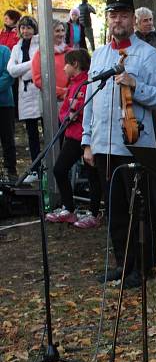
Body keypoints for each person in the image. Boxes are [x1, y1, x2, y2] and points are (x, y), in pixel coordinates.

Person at [82, 0, 156, 289]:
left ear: (133, 19)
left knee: (139, 210)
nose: (118, 20)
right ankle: (122, 263)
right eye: (113, 15)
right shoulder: (100, 55)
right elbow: (89, 100)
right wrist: (86, 140)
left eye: (123, 15)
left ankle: (142, 267)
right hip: (104, 147)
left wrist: (136, 84)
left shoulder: (148, 54)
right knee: (115, 210)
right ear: (107, 19)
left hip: (134, 146)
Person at [45, 48, 102, 228]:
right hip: (72, 136)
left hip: (86, 138)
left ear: (75, 64)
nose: (63, 68)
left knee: (93, 175)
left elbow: (85, 111)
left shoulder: (87, 82)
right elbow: (64, 113)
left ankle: (94, 213)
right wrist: (68, 116)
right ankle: (69, 209)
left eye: (66, 64)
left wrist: (72, 115)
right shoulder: (73, 84)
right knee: (59, 170)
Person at [7, 16, 42, 182]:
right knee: (32, 134)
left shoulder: (41, 44)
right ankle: (35, 170)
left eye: (29, 27)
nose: (25, 31)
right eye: (23, 28)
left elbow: (39, 66)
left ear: (34, 29)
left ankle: (49, 166)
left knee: (48, 131)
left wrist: (27, 68)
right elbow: (12, 71)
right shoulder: (16, 47)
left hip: (40, 91)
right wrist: (32, 64)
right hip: (25, 93)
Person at [32, 19, 71, 100]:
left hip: (70, 97)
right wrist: (61, 92)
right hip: (50, 100)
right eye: (57, 31)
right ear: (49, 33)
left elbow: (78, 75)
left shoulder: (70, 52)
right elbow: (38, 80)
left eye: (63, 30)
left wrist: (70, 91)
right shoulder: (41, 54)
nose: (61, 34)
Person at [0, 44, 16, 180]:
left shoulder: (4, 51)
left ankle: (10, 171)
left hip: (4, 103)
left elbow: (9, 75)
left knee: (7, 139)